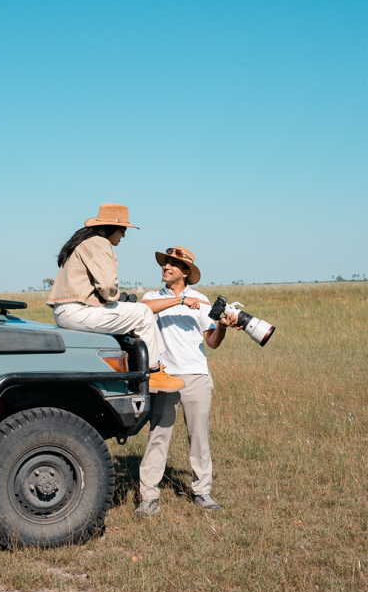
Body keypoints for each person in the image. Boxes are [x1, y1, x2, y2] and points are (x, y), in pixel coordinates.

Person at [134, 245, 240, 518]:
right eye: (165, 263)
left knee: (199, 437)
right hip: (164, 376)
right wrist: (180, 302)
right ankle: (149, 497)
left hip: (197, 377)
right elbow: (143, 310)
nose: (165, 267)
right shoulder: (152, 297)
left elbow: (212, 342)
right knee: (158, 436)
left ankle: (202, 492)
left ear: (185, 272)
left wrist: (223, 329)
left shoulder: (201, 300)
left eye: (172, 264)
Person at [47, 204, 185, 391]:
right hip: (78, 311)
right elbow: (107, 285)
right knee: (143, 312)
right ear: (111, 228)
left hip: (69, 310)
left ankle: (141, 367)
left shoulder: (84, 242)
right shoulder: (99, 243)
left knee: (135, 312)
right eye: (123, 230)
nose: (124, 236)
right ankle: (153, 372)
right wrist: (114, 298)